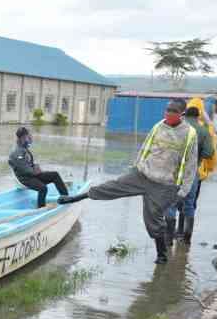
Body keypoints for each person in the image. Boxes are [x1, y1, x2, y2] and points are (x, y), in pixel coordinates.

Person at [59, 99, 198, 264]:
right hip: (142, 175)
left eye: (173, 111)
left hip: (164, 184)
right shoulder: (159, 126)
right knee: (112, 186)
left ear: (181, 114)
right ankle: (76, 198)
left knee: (153, 219)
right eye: (167, 110)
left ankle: (162, 254)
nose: (168, 114)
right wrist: (135, 167)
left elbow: (191, 164)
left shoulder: (189, 134)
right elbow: (145, 148)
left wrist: (184, 191)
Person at [164, 105, 213, 245]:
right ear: (198, 117)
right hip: (192, 173)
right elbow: (209, 153)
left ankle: (168, 240)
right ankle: (186, 239)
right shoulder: (203, 131)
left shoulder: (175, 128)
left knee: (171, 203)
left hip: (173, 171)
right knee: (189, 204)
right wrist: (196, 157)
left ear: (184, 115)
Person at [8, 127, 69, 208]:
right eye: (28, 136)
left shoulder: (23, 149)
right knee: (43, 188)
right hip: (25, 179)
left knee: (55, 175)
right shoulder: (17, 152)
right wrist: (35, 170)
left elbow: (28, 164)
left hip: (32, 175)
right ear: (23, 138)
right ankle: (41, 208)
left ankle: (66, 198)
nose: (30, 138)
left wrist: (35, 166)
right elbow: (26, 170)